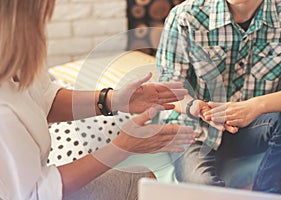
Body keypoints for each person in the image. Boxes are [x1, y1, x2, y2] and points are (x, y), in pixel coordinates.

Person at [0, 1, 198, 199]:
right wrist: (122, 147)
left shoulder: (17, 62)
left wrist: (114, 99)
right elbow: (38, 193)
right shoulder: (4, 113)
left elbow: (44, 99)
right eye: (39, 19)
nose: (43, 28)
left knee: (139, 181)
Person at [156, 0, 281, 194]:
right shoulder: (184, 17)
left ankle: (266, 196)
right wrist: (196, 107)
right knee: (203, 187)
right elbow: (168, 89)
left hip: (251, 128)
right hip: (193, 129)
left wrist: (255, 106)